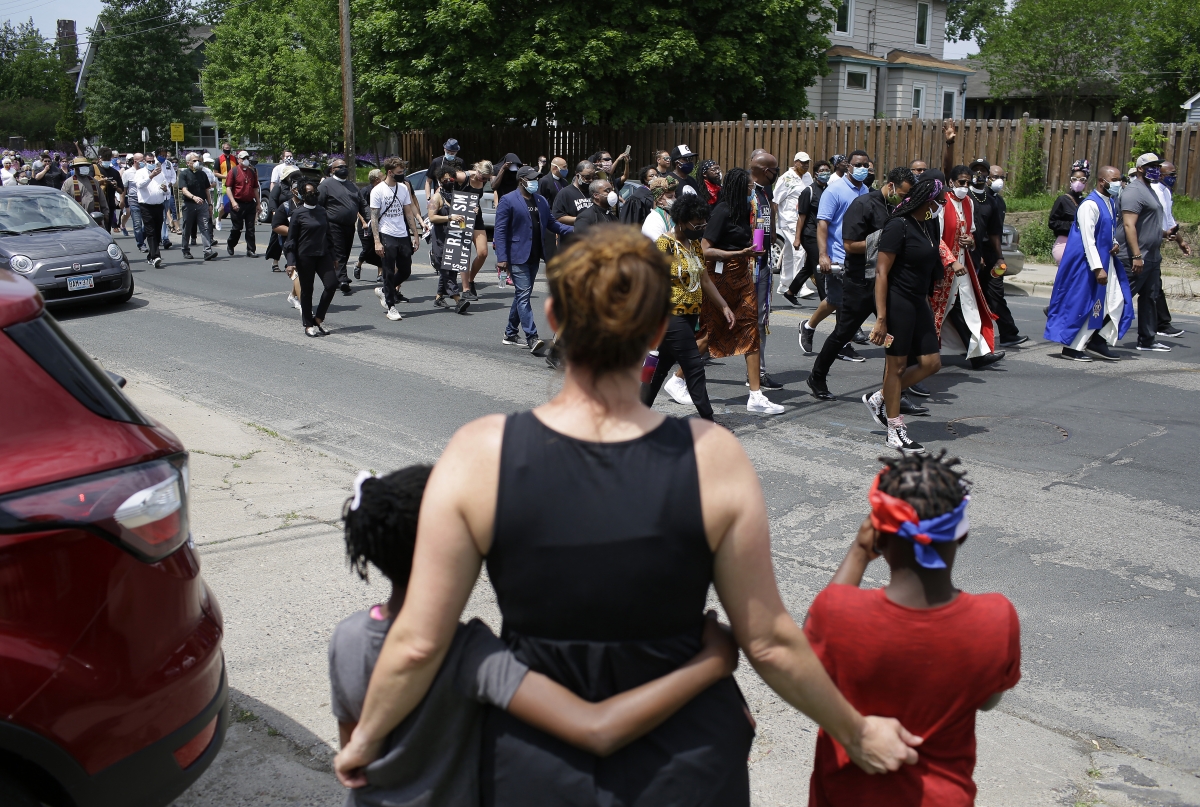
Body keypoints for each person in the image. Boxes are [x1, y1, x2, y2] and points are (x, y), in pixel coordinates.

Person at [333, 227, 923, 803]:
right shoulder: (710, 457)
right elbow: (767, 641)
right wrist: (858, 730)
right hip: (688, 759)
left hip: (537, 761)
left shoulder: (483, 452)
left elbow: (416, 643)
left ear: (554, 318)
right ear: (660, 329)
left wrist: (364, 741)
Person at [331, 465, 741, 806]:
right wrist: (712, 662)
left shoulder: (347, 638)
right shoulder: (470, 654)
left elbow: (356, 756)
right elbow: (597, 729)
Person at [805, 452, 1020, 806]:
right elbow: (988, 700)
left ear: (879, 536)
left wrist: (859, 552)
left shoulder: (838, 613)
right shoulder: (996, 617)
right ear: (960, 535)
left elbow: (801, 664)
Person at [807, 167, 918, 407]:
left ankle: (896, 391)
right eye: (902, 193)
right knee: (843, 333)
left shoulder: (899, 208)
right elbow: (849, 245)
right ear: (890, 186)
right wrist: (884, 239)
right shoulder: (863, 204)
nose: (904, 199)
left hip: (889, 279)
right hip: (861, 280)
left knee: (894, 336)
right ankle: (817, 377)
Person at [865, 177, 947, 455]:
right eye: (938, 201)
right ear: (926, 200)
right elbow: (881, 272)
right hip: (896, 302)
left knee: (931, 363)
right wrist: (881, 318)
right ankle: (894, 430)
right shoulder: (897, 225)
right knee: (897, 367)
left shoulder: (928, 224)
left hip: (918, 301)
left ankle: (880, 397)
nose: (942, 205)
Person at [641, 192, 733, 418]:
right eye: (697, 223)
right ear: (681, 221)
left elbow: (704, 279)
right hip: (670, 316)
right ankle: (708, 420)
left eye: (704, 223)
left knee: (660, 368)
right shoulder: (664, 244)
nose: (701, 227)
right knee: (694, 366)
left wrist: (723, 306)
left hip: (690, 314)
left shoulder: (694, 245)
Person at [700, 167, 784, 414]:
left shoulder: (746, 211)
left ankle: (755, 395)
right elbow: (705, 249)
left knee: (751, 328)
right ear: (739, 188)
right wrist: (740, 253)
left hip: (742, 274)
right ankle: (678, 378)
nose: (752, 192)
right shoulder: (722, 211)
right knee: (712, 332)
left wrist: (751, 247)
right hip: (721, 276)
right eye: (748, 188)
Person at [1044, 166, 1132, 362]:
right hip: (1089, 265)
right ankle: (1073, 347)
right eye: (1115, 179)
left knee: (1117, 302)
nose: (1119, 183)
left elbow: (1107, 232)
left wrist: (1115, 243)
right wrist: (1097, 268)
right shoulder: (1089, 205)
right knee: (1089, 306)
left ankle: (1098, 340)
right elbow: (1087, 239)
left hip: (1106, 260)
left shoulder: (1110, 202)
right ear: (1102, 181)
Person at [494, 165, 573, 353]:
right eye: (531, 179)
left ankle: (510, 333)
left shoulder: (541, 200)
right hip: (516, 255)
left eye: (536, 178)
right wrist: (502, 257)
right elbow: (500, 230)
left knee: (523, 294)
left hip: (535, 254)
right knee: (523, 294)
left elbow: (553, 224)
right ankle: (532, 336)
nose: (535, 182)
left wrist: (579, 229)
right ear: (522, 180)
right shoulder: (508, 200)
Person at [804, 150, 871, 364]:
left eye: (865, 165)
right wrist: (823, 255)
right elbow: (822, 223)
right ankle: (840, 343)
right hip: (836, 256)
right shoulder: (834, 190)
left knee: (838, 301)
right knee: (842, 301)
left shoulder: (866, 190)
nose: (861, 168)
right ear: (848, 166)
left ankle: (810, 327)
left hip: (857, 255)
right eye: (857, 164)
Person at [933, 164, 1004, 369]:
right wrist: (951, 261)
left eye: (967, 182)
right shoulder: (941, 203)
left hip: (963, 266)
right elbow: (935, 238)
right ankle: (920, 356)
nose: (965, 186)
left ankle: (977, 354)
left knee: (968, 308)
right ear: (951, 183)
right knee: (937, 312)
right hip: (943, 269)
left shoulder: (969, 203)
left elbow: (972, 233)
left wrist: (970, 241)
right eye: (961, 182)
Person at [967, 157, 1026, 348]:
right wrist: (978, 254)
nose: (982, 176)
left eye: (1001, 177)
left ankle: (1008, 332)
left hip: (992, 255)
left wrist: (1000, 256)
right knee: (972, 296)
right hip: (975, 253)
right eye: (994, 176)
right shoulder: (969, 197)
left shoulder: (996, 201)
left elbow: (995, 232)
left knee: (994, 293)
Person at [1116, 153, 1172, 352]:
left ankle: (1147, 339)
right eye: (1151, 166)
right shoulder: (1133, 191)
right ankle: (1094, 334)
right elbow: (1129, 225)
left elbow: (1147, 223)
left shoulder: (1150, 190)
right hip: (1136, 257)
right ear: (1140, 168)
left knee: (1150, 297)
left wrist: (1164, 233)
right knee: (1120, 299)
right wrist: (1137, 256)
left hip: (1152, 256)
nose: (1156, 169)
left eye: (1158, 165)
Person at [284, 178, 339, 338]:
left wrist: (334, 256)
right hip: (305, 257)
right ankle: (308, 324)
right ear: (302, 194)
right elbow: (291, 240)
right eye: (309, 193)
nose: (313, 195)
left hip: (323, 255)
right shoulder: (298, 213)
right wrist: (290, 262)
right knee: (307, 291)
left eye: (315, 192)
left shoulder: (322, 211)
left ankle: (319, 318)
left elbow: (328, 235)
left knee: (332, 284)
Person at [370, 157, 423, 322]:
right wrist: (377, 241)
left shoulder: (403, 188)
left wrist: (415, 235)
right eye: (400, 172)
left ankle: (385, 290)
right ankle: (391, 306)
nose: (403, 175)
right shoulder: (378, 191)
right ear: (390, 172)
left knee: (406, 270)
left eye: (403, 172)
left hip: (403, 234)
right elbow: (374, 217)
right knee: (388, 271)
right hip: (387, 234)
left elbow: (408, 212)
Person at [783, 159, 831, 307]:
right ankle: (826, 302)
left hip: (822, 234)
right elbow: (801, 216)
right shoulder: (808, 191)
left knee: (809, 266)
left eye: (827, 170)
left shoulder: (829, 190)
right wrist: (797, 238)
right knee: (819, 266)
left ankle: (790, 292)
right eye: (822, 171)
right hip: (809, 234)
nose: (825, 173)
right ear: (816, 174)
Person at [426, 165, 472, 314]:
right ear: (439, 180)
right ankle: (458, 299)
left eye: (450, 178)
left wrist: (472, 211)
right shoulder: (437, 197)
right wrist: (449, 217)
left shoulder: (458, 196)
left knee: (451, 267)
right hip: (440, 238)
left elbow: (465, 216)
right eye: (444, 179)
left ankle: (439, 297)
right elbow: (432, 217)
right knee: (446, 268)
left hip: (454, 236)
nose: (448, 181)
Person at [320, 157, 369, 295]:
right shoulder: (326, 185)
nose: (343, 169)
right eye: (339, 167)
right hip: (333, 224)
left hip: (349, 225)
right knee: (339, 251)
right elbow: (318, 204)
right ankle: (343, 280)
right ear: (332, 170)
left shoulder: (352, 185)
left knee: (346, 252)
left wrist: (369, 218)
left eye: (345, 166)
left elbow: (362, 203)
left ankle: (336, 276)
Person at [1151, 161, 1188, 339]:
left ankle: (1160, 325)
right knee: (1130, 286)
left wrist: (1180, 241)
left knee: (1153, 285)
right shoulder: (1154, 191)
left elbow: (1169, 219)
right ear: (1160, 174)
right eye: (1170, 174)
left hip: (1155, 243)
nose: (1173, 178)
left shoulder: (1166, 192)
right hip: (1144, 244)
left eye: (1174, 174)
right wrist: (1165, 234)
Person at [774, 152, 810, 303]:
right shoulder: (785, 179)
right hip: (789, 220)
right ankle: (799, 286)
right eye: (802, 162)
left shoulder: (808, 177)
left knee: (789, 251)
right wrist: (773, 222)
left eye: (807, 162)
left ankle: (784, 283)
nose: (805, 165)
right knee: (799, 249)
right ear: (795, 162)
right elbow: (775, 200)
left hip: (803, 218)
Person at [454, 160, 493, 299]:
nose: (484, 180)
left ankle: (471, 280)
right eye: (483, 177)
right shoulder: (462, 177)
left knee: (483, 252)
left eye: (487, 179)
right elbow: (443, 184)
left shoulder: (484, 179)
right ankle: (465, 289)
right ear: (477, 170)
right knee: (465, 253)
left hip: (476, 217)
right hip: (461, 218)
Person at [133, 149, 175, 269]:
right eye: (149, 161)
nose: (151, 163)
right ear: (144, 162)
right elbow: (140, 185)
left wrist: (165, 189)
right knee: (150, 230)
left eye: (152, 161)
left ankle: (151, 256)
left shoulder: (160, 173)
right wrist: (151, 176)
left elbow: (166, 187)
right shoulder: (140, 172)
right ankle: (156, 256)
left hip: (158, 205)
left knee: (157, 231)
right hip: (146, 205)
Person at [271, 174, 304, 311]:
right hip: (290, 244)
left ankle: (292, 295)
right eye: (297, 188)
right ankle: (304, 305)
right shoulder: (285, 206)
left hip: (306, 244)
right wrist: (293, 230)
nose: (301, 191)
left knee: (303, 273)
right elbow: (276, 226)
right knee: (296, 271)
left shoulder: (309, 205)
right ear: (292, 190)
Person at [178, 152, 216, 261]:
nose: (197, 162)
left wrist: (209, 204)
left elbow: (206, 190)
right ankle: (185, 249)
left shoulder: (202, 174)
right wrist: (193, 197)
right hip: (189, 205)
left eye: (198, 160)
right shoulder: (184, 174)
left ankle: (207, 251)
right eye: (194, 161)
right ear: (188, 162)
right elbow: (184, 190)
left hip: (202, 205)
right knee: (187, 228)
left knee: (205, 227)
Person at [1049, 160, 1089, 264]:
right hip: (1065, 242)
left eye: (1082, 179)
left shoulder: (1086, 201)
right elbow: (1052, 222)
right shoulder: (1062, 200)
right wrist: (1073, 225)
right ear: (1070, 181)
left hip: (1081, 244)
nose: (1078, 182)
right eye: (1075, 179)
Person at [225, 150, 260, 257]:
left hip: (250, 203)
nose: (246, 160)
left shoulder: (252, 172)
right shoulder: (233, 171)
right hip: (238, 203)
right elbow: (229, 188)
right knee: (237, 228)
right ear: (239, 159)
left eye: (247, 158)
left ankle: (251, 250)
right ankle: (231, 244)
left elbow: (255, 189)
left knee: (250, 228)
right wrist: (233, 202)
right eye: (243, 158)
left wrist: (258, 203)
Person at [62, 157, 110, 227]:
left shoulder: (94, 182)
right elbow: (64, 203)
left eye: (85, 166)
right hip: (75, 219)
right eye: (81, 166)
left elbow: (102, 199)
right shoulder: (68, 183)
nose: (84, 168)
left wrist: (106, 213)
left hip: (94, 218)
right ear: (76, 168)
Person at [354, 169, 384, 281]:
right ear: (377, 179)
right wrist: (363, 222)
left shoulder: (382, 190)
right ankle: (358, 265)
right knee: (367, 248)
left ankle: (380, 274)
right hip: (365, 225)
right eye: (382, 176)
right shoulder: (365, 191)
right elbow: (357, 208)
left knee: (380, 247)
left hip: (378, 223)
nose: (384, 177)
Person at [550, 160, 595, 228]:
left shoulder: (595, 192)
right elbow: (558, 217)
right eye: (587, 178)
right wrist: (582, 220)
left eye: (593, 177)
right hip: (573, 235)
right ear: (577, 175)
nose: (591, 180)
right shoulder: (565, 193)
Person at [619, 165, 658, 229]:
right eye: (651, 176)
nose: (655, 177)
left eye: (656, 175)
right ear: (645, 179)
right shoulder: (636, 198)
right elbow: (634, 219)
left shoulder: (656, 193)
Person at [640, 176, 677, 241]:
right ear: (659, 199)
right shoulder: (653, 220)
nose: (674, 199)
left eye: (674, 196)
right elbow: (656, 246)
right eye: (670, 197)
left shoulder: (670, 214)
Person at [122, 154, 146, 252]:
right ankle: (141, 244)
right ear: (135, 161)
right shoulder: (127, 173)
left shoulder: (146, 172)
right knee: (137, 224)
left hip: (145, 201)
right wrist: (122, 200)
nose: (144, 162)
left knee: (149, 223)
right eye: (142, 160)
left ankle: (141, 237)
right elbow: (124, 188)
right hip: (134, 201)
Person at [97, 148, 123, 232]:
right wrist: (101, 181)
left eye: (109, 159)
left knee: (107, 229)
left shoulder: (114, 172)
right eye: (105, 159)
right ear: (100, 158)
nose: (107, 161)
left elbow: (121, 190)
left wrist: (115, 186)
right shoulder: (94, 169)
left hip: (109, 204)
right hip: (96, 204)